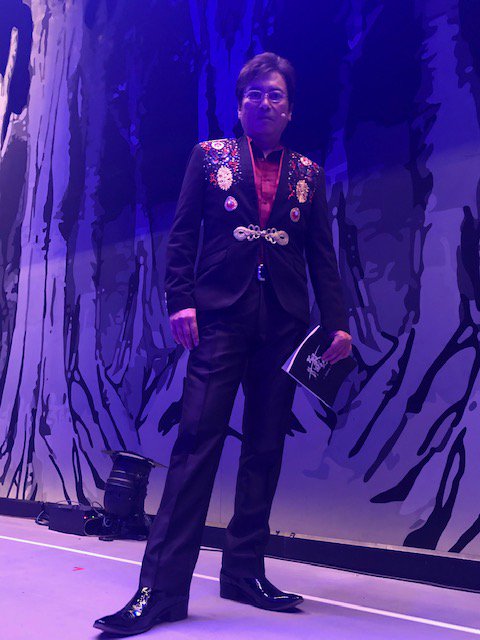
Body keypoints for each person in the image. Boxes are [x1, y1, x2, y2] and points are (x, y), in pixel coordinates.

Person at [94, 51, 352, 636]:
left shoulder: (308, 172)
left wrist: (336, 322)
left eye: (275, 95)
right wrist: (180, 299)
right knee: (195, 443)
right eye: (254, 94)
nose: (265, 102)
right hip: (219, 318)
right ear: (240, 106)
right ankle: (160, 591)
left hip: (284, 325)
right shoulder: (209, 157)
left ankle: (243, 571)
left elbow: (321, 254)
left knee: (265, 448)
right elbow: (183, 233)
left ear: (290, 109)